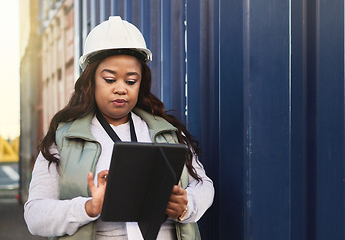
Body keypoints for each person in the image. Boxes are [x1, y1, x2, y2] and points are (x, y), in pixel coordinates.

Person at [24, 16, 214, 240]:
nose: (121, 89)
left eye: (131, 81)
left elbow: (204, 185)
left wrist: (186, 204)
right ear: (91, 81)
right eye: (109, 79)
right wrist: (88, 208)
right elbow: (35, 216)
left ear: (141, 83)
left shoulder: (168, 132)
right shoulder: (63, 139)